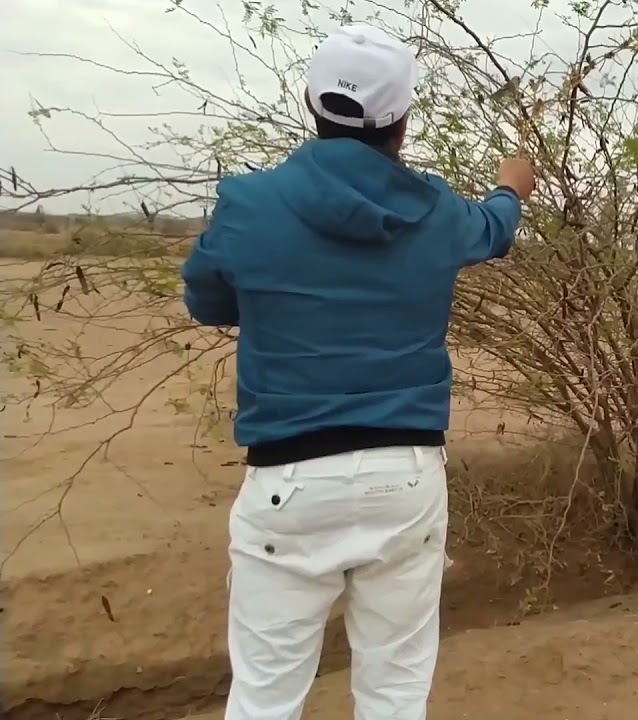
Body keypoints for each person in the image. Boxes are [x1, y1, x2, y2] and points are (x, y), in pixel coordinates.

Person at [179, 24, 536, 720]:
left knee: (264, 697)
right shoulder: (436, 209)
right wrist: (510, 188)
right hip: (404, 478)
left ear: (311, 102)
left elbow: (208, 299)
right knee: (395, 693)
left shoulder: (249, 204)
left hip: (287, 480)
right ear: (403, 120)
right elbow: (493, 230)